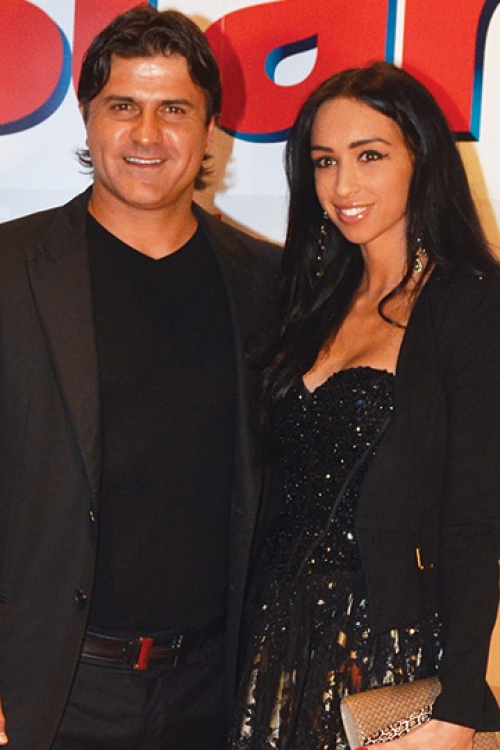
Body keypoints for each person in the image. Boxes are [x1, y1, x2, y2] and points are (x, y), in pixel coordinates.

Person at [0, 5, 279, 750]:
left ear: (210, 126)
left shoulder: (267, 283)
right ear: (88, 119)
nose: (148, 135)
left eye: (174, 110)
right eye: (123, 106)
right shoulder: (9, 270)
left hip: (214, 692)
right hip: (48, 692)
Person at [231, 61, 500, 750]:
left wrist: (460, 708)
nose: (343, 186)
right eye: (325, 161)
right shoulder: (310, 301)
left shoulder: (471, 307)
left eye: (369, 155)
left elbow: (477, 521)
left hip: (387, 649)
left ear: (422, 157)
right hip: (275, 637)